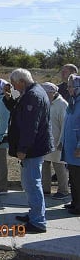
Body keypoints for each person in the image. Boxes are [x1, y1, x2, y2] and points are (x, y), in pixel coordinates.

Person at [4, 68, 53, 234]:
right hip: (34, 147)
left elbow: (30, 127)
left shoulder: (33, 96)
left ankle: (38, 222)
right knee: (29, 183)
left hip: (33, 149)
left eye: (14, 84)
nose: (14, 87)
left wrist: (23, 148)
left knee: (33, 184)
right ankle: (34, 214)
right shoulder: (31, 92)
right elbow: (19, 113)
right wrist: (9, 99)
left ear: (22, 82)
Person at [40, 82, 69, 200]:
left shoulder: (62, 104)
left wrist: (62, 141)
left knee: (59, 166)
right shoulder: (45, 103)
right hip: (46, 140)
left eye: (45, 93)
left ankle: (63, 190)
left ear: (52, 92)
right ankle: (45, 189)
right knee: (45, 165)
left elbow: (65, 125)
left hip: (57, 142)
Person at [60, 74, 80, 215]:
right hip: (70, 146)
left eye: (71, 86)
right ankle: (74, 202)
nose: (68, 89)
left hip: (77, 148)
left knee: (78, 178)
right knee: (73, 177)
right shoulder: (73, 102)